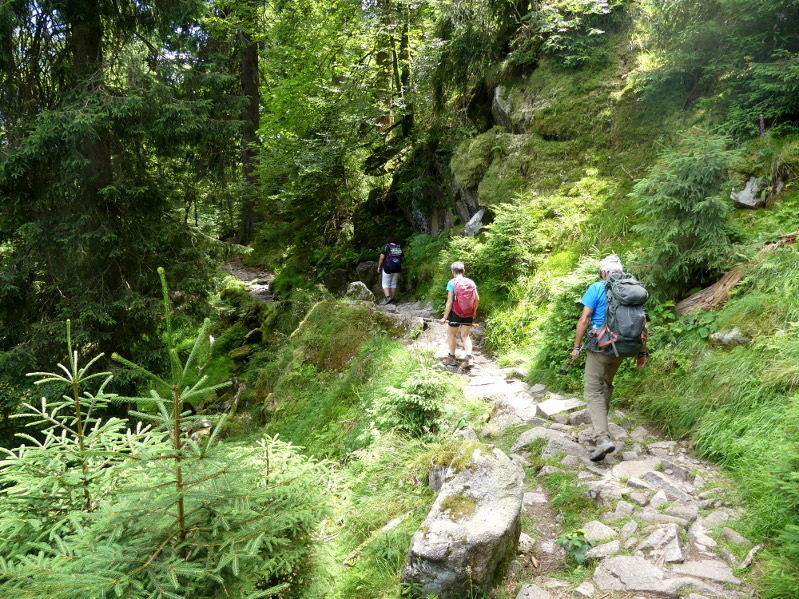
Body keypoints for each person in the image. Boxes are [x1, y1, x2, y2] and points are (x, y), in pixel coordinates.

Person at [571, 255, 648, 462]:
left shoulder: (597, 287)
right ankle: (600, 430)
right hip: (624, 347)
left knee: (592, 390)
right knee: (606, 385)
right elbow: (643, 325)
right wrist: (641, 353)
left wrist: (576, 347)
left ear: (604, 272)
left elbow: (584, 319)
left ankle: (602, 438)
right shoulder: (632, 290)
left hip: (600, 346)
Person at [439, 262, 479, 368]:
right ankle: (469, 358)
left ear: (452, 272)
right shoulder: (471, 282)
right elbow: (477, 298)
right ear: (463, 271)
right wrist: (474, 311)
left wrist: (444, 317)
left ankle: (452, 358)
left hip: (456, 313)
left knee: (452, 335)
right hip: (468, 313)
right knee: (465, 335)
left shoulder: (452, 283)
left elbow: (449, 302)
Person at [377, 236, 404, 305]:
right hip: (397, 268)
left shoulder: (386, 247)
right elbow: (402, 258)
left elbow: (381, 257)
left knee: (385, 283)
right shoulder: (399, 247)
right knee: (393, 284)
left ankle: (388, 297)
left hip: (387, 267)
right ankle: (392, 299)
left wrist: (379, 267)